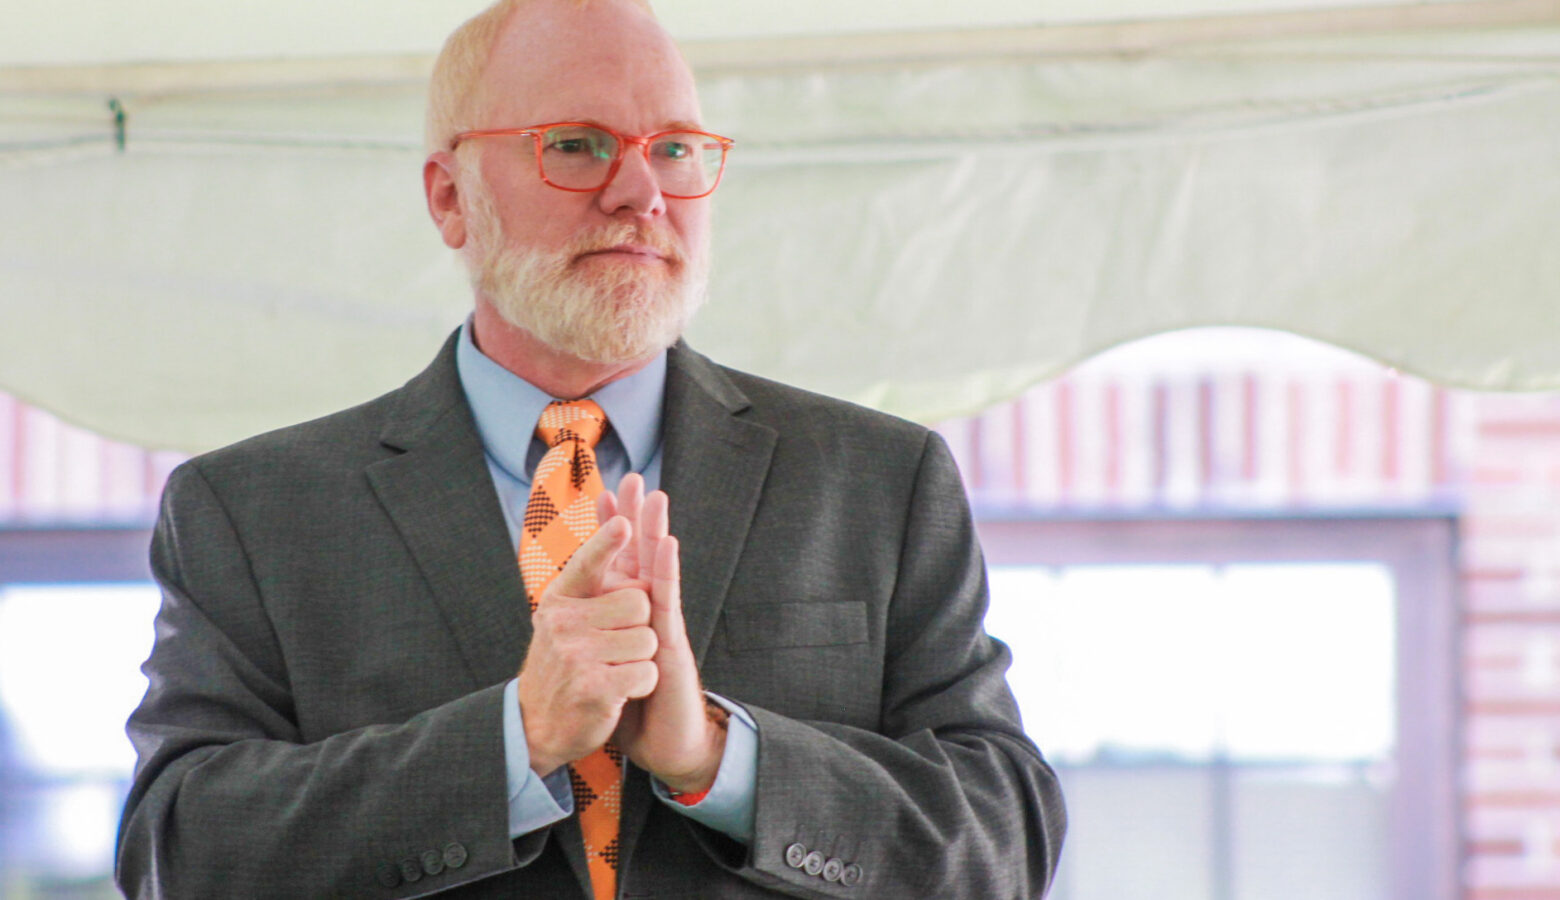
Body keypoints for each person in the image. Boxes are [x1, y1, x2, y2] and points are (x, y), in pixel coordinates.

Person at [114, 0, 1066, 896]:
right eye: (576, 145)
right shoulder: (250, 512)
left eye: (677, 149)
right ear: (452, 199)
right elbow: (179, 854)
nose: (641, 191)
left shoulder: (880, 480)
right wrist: (512, 740)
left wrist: (719, 759)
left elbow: (1004, 844)